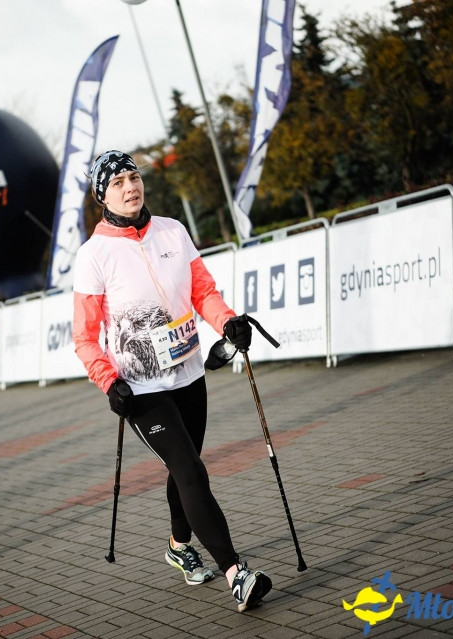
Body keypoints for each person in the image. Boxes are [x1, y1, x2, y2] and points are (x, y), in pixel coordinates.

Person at [72, 150, 272, 613]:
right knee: (189, 470)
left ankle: (179, 546)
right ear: (103, 194)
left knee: (185, 466)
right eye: (118, 181)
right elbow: (83, 338)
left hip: (188, 375)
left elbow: (202, 291)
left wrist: (227, 323)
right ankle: (235, 573)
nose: (130, 186)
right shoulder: (93, 255)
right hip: (140, 390)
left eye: (133, 176)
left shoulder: (172, 230)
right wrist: (108, 381)